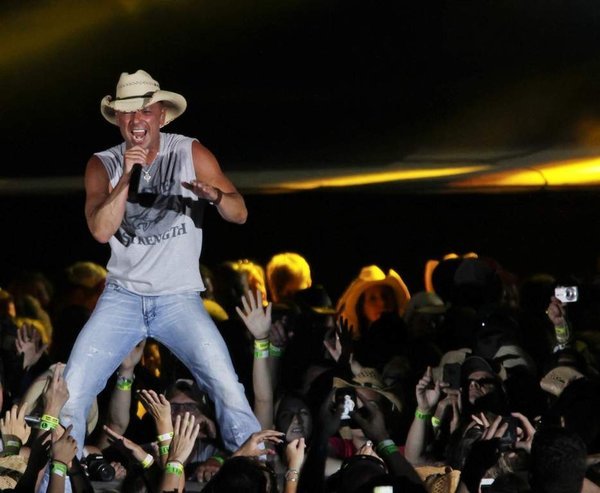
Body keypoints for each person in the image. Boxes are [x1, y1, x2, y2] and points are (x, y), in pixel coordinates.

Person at [58, 69, 261, 461]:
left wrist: (216, 197)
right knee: (74, 388)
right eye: (128, 111)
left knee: (226, 387)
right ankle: (60, 479)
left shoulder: (190, 152)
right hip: (122, 297)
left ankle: (254, 473)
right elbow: (101, 231)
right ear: (117, 119)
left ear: (162, 116)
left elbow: (240, 214)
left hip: (178, 298)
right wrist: (126, 175)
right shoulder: (102, 164)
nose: (137, 119)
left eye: (146, 110)